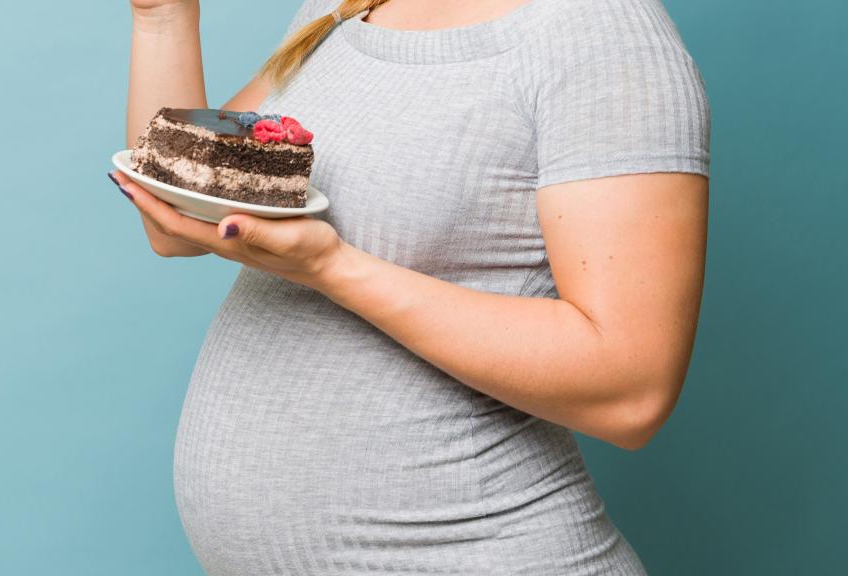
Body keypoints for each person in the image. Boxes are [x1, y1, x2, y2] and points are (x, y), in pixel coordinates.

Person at [109, 0, 710, 573]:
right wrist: (162, 16)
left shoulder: (606, 37)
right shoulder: (349, 8)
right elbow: (180, 222)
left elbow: (632, 392)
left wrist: (332, 268)